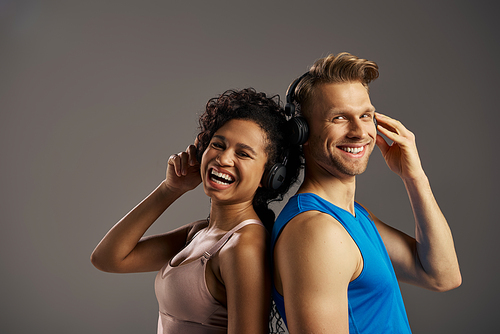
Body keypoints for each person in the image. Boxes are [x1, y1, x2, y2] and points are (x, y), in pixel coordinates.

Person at [271, 52, 462, 333]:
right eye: (339, 118)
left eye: (365, 115)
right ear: (302, 133)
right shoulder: (317, 232)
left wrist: (414, 176)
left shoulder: (352, 217)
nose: (359, 131)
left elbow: (441, 275)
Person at [91, 88, 301, 334]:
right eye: (218, 145)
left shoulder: (244, 247)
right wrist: (171, 188)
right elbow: (108, 258)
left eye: (243, 153)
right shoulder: (198, 233)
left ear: (269, 176)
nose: (223, 159)